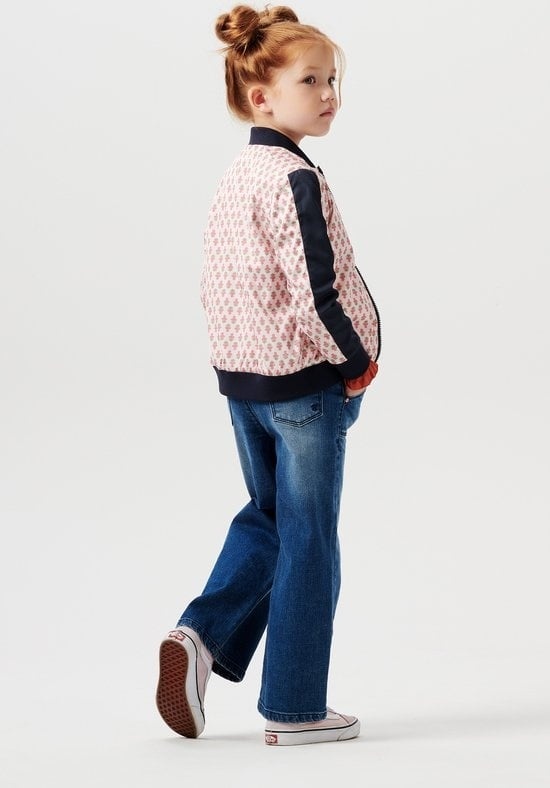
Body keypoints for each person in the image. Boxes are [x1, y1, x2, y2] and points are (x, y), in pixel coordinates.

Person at [156, 3, 381, 746]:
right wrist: (355, 360)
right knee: (310, 539)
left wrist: (235, 368)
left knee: (273, 518)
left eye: (333, 79)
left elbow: (217, 281)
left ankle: (200, 636)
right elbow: (318, 290)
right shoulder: (293, 178)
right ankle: (294, 706)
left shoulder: (237, 175)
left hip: (245, 384)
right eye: (310, 81)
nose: (329, 94)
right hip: (306, 387)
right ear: (262, 96)